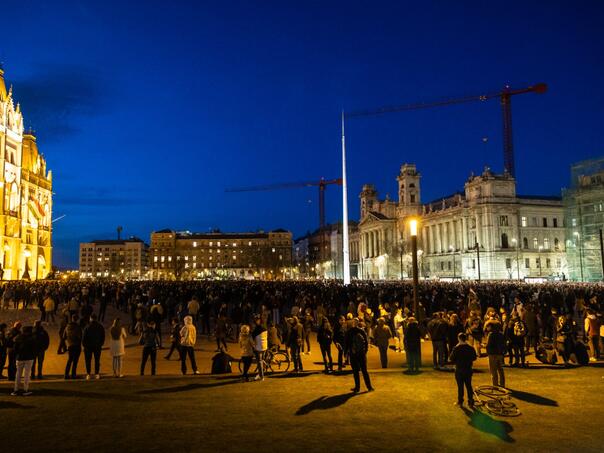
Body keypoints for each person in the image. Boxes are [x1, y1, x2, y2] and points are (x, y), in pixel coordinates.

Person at [449, 333, 477, 408]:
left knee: (460, 386)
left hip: (459, 369)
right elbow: (474, 358)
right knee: (468, 385)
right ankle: (470, 401)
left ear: (459, 338)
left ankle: (460, 401)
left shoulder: (456, 348)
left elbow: (451, 358)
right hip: (468, 369)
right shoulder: (470, 348)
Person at [345, 318, 373, 393]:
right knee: (364, 371)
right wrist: (365, 351)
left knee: (355, 372)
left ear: (353, 323)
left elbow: (347, 343)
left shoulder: (349, 332)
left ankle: (357, 388)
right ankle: (369, 387)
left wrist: (346, 353)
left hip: (353, 354)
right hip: (361, 354)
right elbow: (366, 342)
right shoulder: (361, 331)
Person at [12, 326, 37, 396]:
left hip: (20, 358)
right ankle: (25, 390)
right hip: (29, 358)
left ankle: (16, 389)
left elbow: (15, 349)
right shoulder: (31, 338)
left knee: (18, 374)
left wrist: (17, 354)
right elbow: (34, 349)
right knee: (26, 375)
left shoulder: (18, 338)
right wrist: (33, 355)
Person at [83, 313, 105, 379]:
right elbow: (103, 336)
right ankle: (97, 373)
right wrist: (101, 344)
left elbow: (84, 337)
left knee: (88, 361)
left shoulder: (87, 327)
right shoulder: (100, 326)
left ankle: (88, 374)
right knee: (97, 360)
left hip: (88, 347)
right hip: (97, 346)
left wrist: (84, 345)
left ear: (91, 318)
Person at [485, 321, 506, 388]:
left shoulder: (491, 334)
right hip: (499, 353)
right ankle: (502, 384)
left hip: (492, 354)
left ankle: (495, 384)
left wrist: (486, 349)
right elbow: (503, 343)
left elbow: (488, 345)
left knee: (493, 370)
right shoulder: (501, 334)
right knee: (500, 369)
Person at [63, 315, 83, 379]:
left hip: (70, 345)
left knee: (69, 360)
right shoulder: (78, 327)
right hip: (76, 345)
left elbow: (64, 337)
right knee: (75, 361)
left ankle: (66, 374)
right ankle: (73, 374)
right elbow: (80, 337)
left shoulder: (67, 327)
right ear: (77, 319)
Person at [252, 315, 268, 381]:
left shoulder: (256, 330)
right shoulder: (264, 327)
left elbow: (253, 338)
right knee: (262, 360)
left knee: (259, 362)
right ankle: (260, 374)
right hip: (264, 347)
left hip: (258, 348)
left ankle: (261, 376)